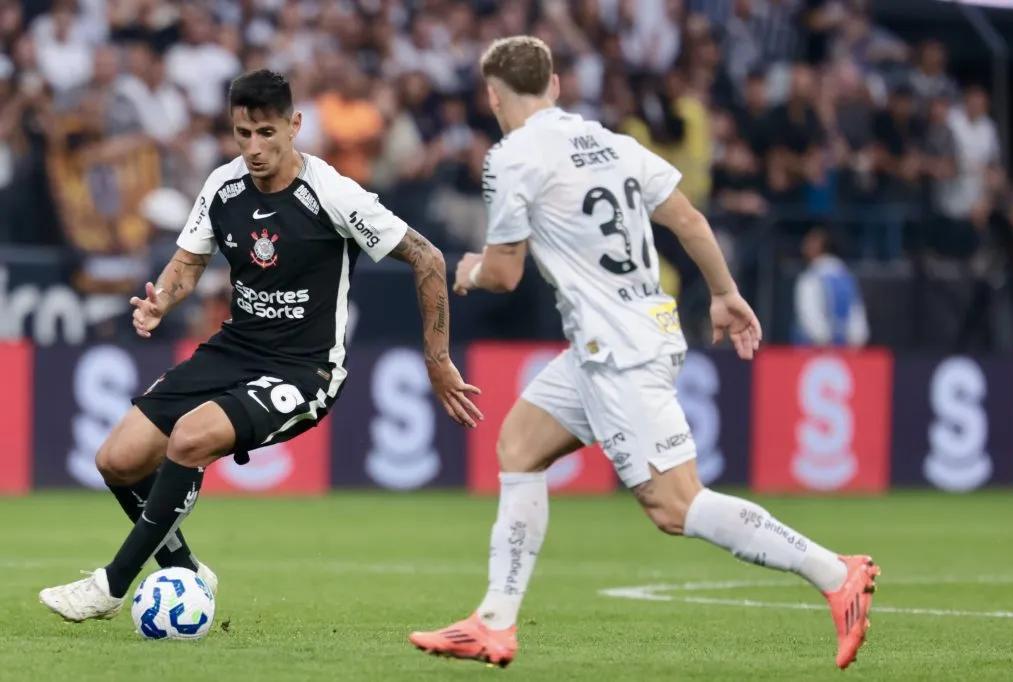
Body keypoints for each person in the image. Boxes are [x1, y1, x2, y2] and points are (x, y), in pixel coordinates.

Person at [408, 37, 879, 671]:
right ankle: (494, 623)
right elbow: (689, 220)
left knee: (676, 506)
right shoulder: (614, 143)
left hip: (617, 349)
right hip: (629, 331)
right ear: (555, 85)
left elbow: (504, 272)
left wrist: (465, 270)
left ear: (493, 96)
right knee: (519, 446)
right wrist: (724, 293)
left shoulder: (512, 156)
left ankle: (836, 572)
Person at [39, 69, 483, 621]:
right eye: (242, 133)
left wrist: (437, 360)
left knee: (190, 438)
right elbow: (188, 262)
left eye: (266, 133)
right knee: (117, 460)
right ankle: (184, 570)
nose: (253, 148)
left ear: (294, 126)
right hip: (235, 349)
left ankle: (110, 586)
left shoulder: (333, 194)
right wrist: (162, 302)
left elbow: (427, 257)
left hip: (304, 370)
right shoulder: (223, 187)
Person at [792, 227, 870, 347]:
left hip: (813, 349)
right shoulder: (847, 277)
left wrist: (824, 340)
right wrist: (856, 341)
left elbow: (809, 314)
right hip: (845, 349)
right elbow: (858, 319)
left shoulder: (811, 278)